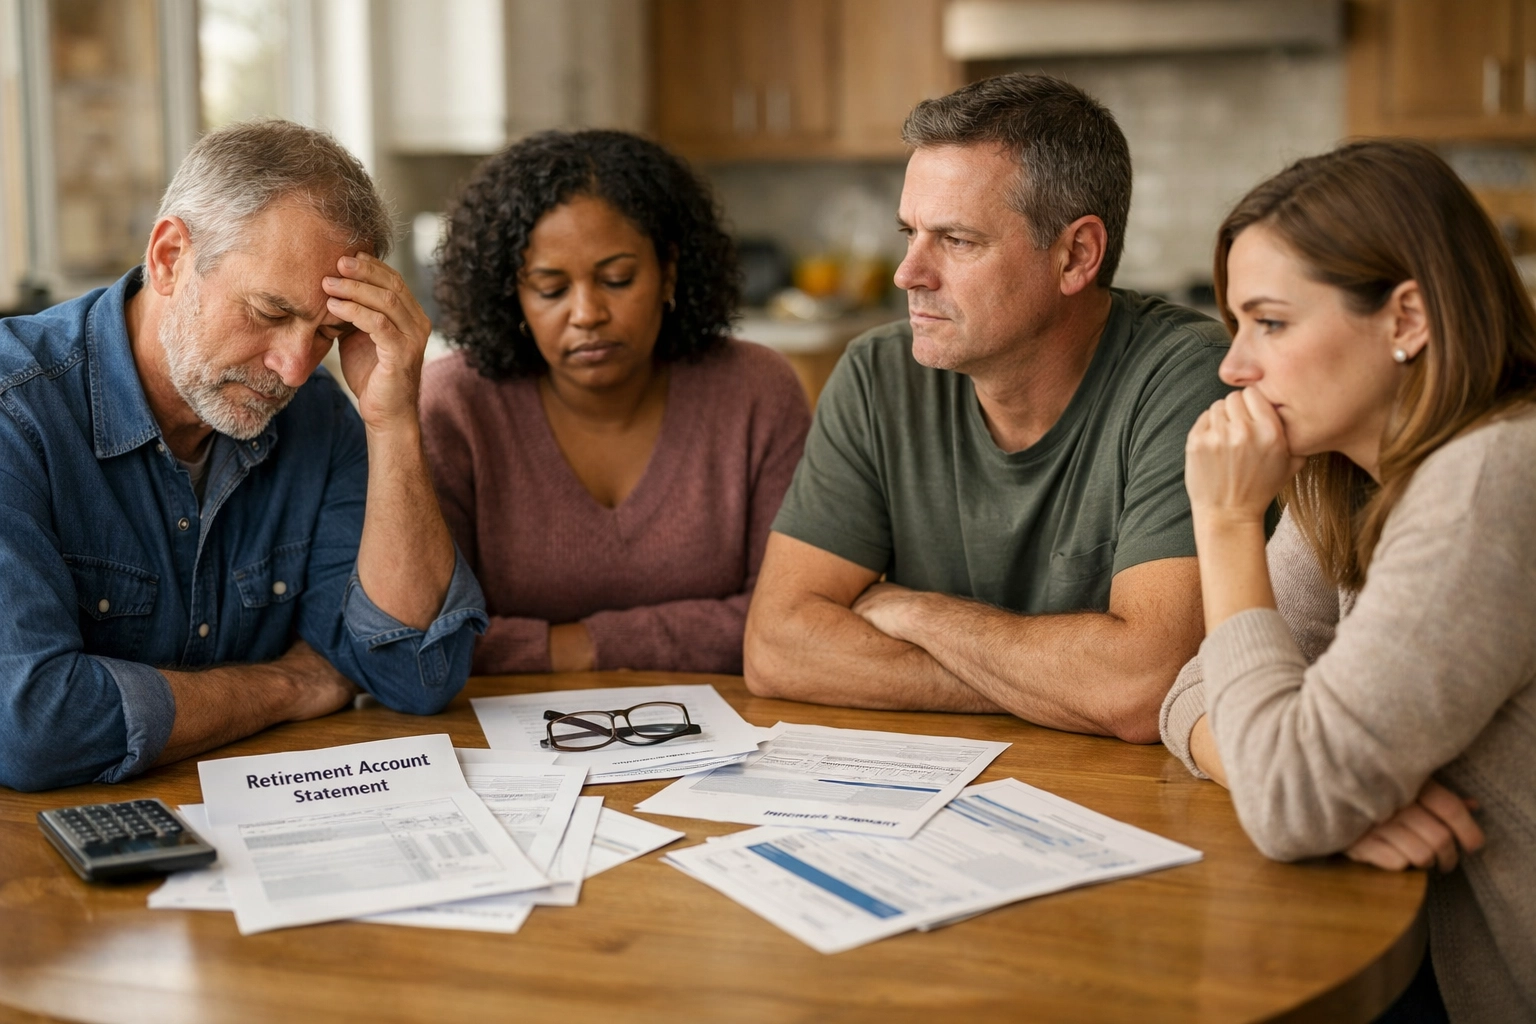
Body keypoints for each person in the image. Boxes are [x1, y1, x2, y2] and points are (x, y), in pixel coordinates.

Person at [1160, 140, 1536, 1021]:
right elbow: (1188, 692)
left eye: (1272, 322)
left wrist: (1222, 525)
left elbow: (1291, 800)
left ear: (1407, 319)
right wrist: (1285, 777)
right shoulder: (1349, 476)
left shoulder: (1488, 481)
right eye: (1236, 324)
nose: (1234, 367)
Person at [0, 120, 487, 792]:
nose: (292, 369)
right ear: (170, 257)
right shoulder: (14, 412)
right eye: (267, 311)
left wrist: (395, 417)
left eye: (329, 332)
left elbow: (412, 673)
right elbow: (33, 728)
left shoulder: (318, 414)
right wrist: (292, 685)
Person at [743, 73, 1232, 741]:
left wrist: (915, 613)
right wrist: (1055, 685)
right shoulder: (876, 372)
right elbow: (776, 647)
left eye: (957, 240)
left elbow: (1144, 687)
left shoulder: (1184, 375)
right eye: (909, 233)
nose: (907, 273)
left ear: (1075, 255)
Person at [420, 130, 809, 674]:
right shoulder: (453, 406)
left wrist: (575, 647)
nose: (586, 313)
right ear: (512, 293)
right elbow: (429, 638)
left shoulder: (756, 391)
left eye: (617, 278)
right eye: (551, 289)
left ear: (669, 270)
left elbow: (789, 621)